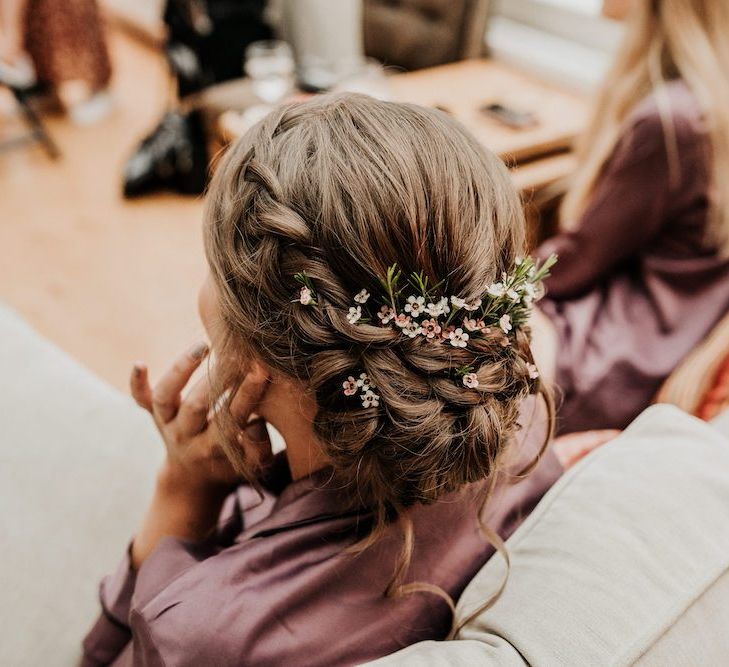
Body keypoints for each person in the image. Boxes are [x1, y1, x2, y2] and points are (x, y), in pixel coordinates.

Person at [81, 94, 563, 666]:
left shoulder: (211, 636)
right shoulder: (521, 421)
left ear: (258, 351)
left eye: (213, 270)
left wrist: (182, 489)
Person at [535, 0, 729, 433]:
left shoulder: (674, 122)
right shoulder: (710, 105)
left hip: (608, 365)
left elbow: (580, 258)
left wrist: (498, 289)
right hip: (672, 344)